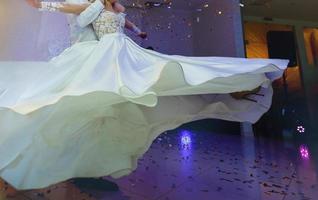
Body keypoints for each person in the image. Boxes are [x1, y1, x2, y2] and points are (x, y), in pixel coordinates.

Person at [0, 0, 288, 190]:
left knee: (167, 74)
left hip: (123, 50)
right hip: (103, 55)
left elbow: (125, 23)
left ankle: (238, 84)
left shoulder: (117, 6)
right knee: (97, 93)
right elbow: (64, 7)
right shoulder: (91, 4)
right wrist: (41, 4)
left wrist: (139, 31)